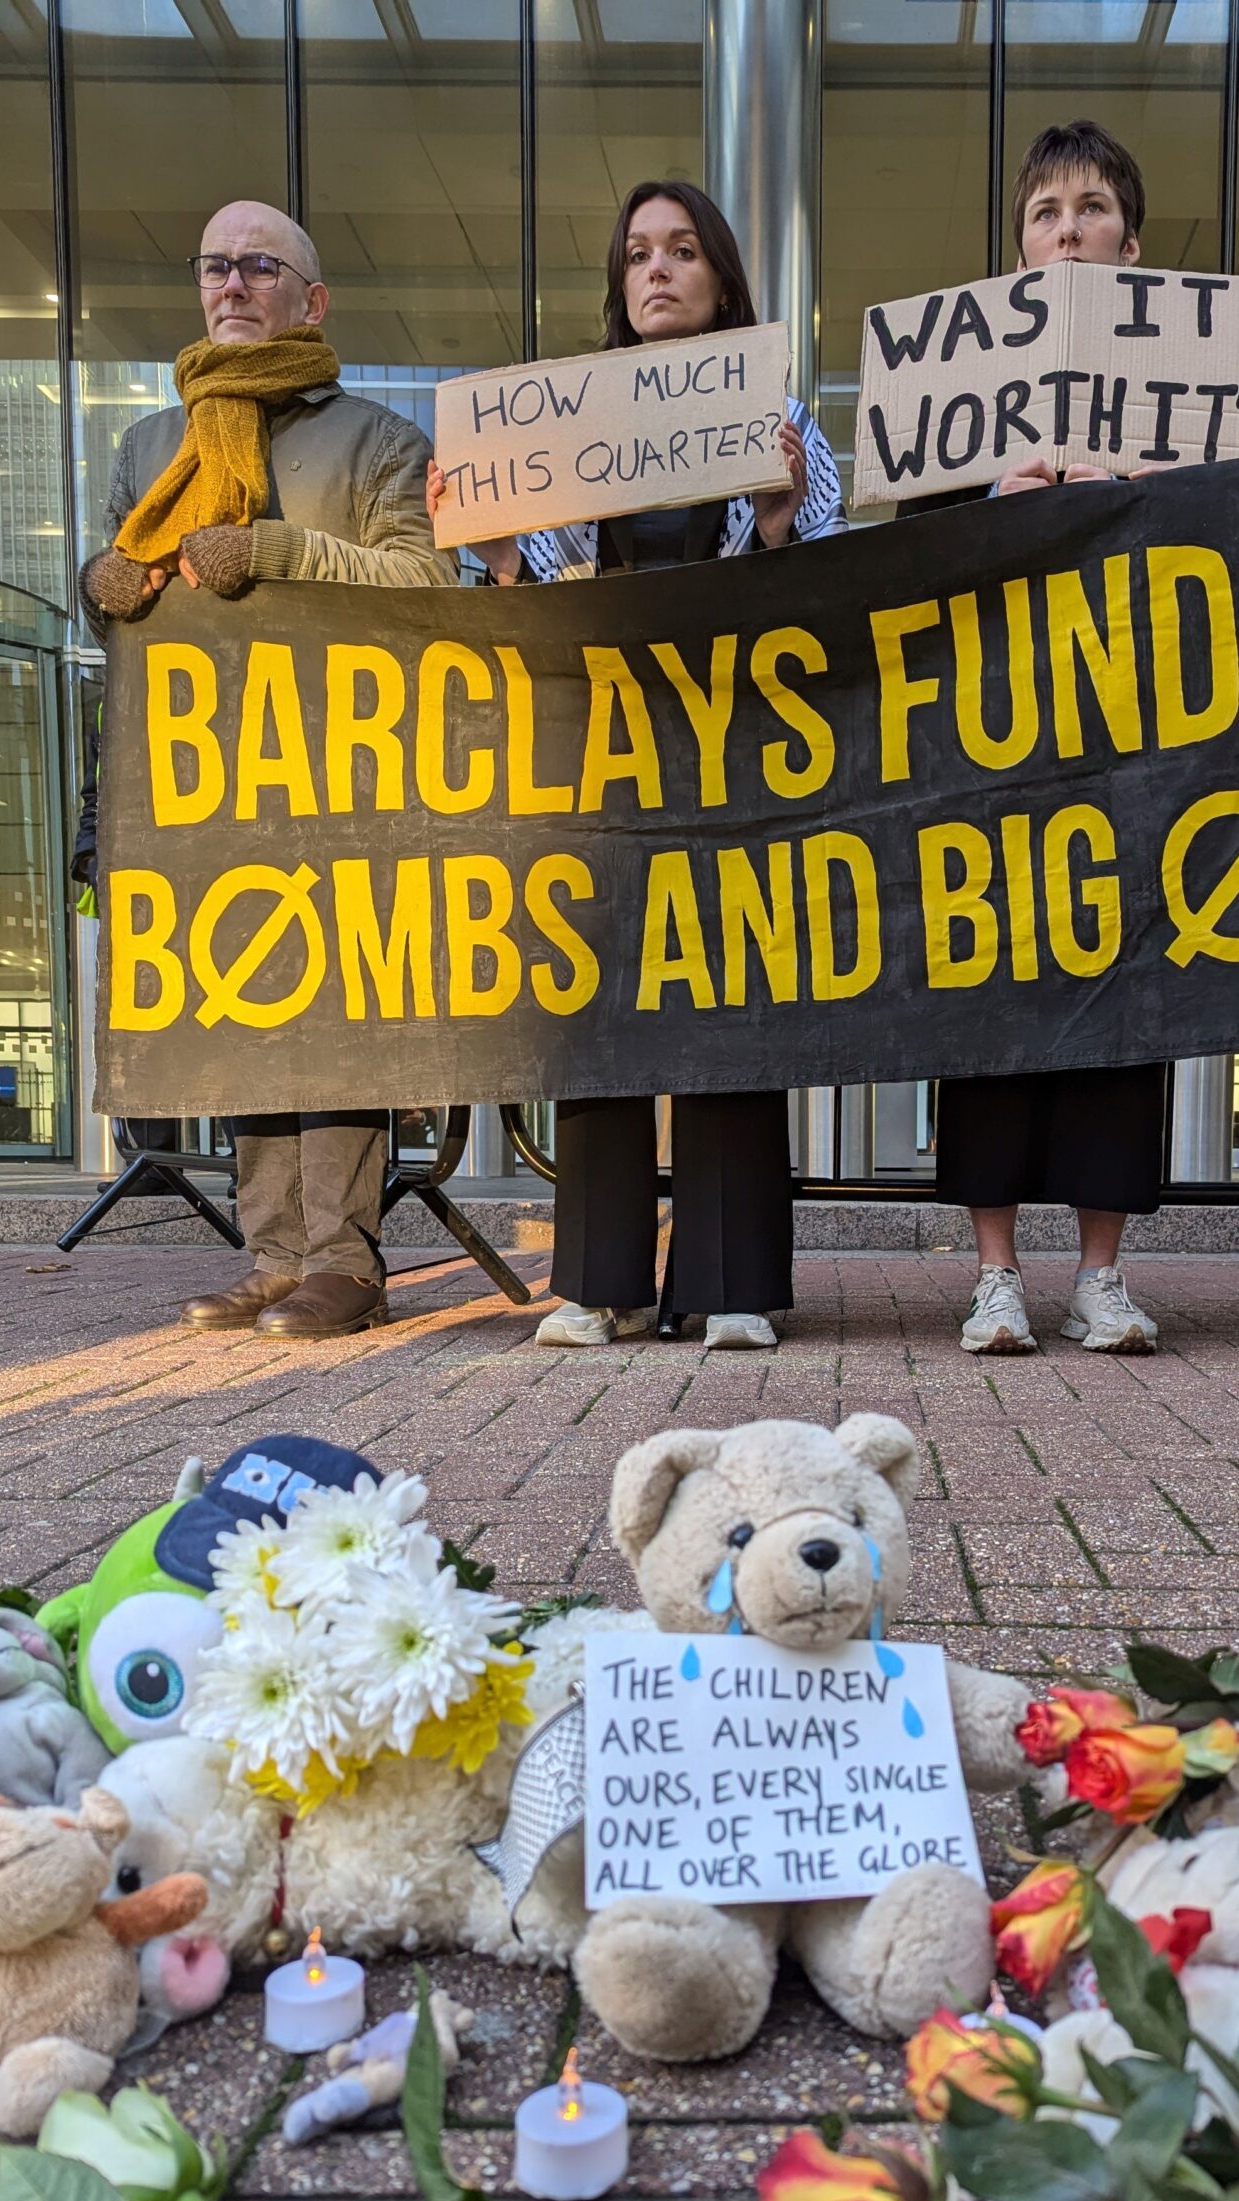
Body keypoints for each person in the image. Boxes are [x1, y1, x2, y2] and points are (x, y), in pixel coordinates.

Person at [430, 179, 846, 1351]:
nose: (655, 270)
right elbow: (521, 616)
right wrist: (501, 559)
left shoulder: (782, 422)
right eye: (635, 255)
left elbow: (845, 595)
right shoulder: (557, 429)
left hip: (738, 759)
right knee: (595, 1009)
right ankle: (597, 1279)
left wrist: (774, 519)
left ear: (719, 275)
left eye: (679, 250)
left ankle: (728, 1284)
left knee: (730, 1004)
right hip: (603, 767)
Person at [81, 200, 454, 1340]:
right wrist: (104, 583)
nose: (231, 285)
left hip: (342, 780)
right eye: (213, 267)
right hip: (204, 790)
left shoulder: (381, 441)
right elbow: (117, 613)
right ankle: (273, 1256)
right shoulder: (151, 449)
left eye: (258, 266)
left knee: (336, 1013)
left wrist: (280, 551)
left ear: (312, 299)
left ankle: (347, 1259)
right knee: (237, 1011)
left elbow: (428, 587)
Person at [904, 120, 1166, 1359]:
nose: (1067, 229)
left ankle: (1101, 1276)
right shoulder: (954, 399)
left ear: (1130, 237)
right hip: (996, 744)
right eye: (1044, 213)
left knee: (1123, 999)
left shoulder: (1181, 386)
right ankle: (996, 1273)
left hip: (1130, 727)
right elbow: (906, 562)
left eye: (1089, 208)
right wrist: (988, 518)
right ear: (1017, 250)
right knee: (991, 993)